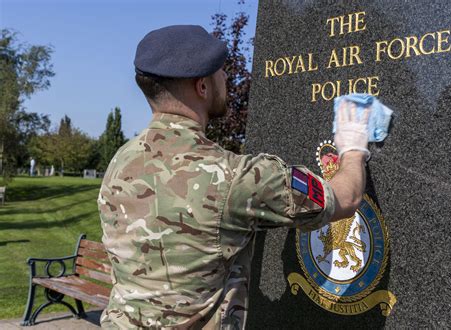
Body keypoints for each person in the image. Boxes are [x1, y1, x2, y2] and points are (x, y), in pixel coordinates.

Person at [98, 25, 370, 329]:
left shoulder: (120, 161)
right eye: (220, 71)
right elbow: (345, 198)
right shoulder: (237, 177)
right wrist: (353, 146)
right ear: (202, 86)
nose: (226, 78)